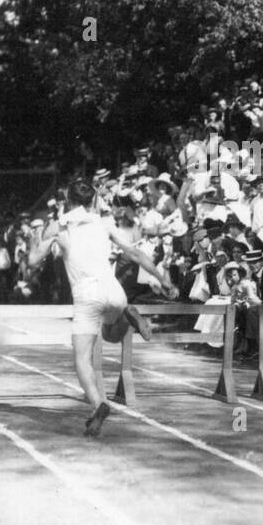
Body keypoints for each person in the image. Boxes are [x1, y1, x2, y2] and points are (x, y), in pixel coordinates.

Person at [30, 179, 178, 435]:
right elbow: (136, 254)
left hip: (86, 294)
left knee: (82, 359)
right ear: (91, 201)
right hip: (114, 290)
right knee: (110, 334)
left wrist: (35, 236)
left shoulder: (59, 225)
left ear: (68, 200)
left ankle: (98, 405)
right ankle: (127, 313)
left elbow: (33, 262)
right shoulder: (105, 222)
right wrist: (163, 279)